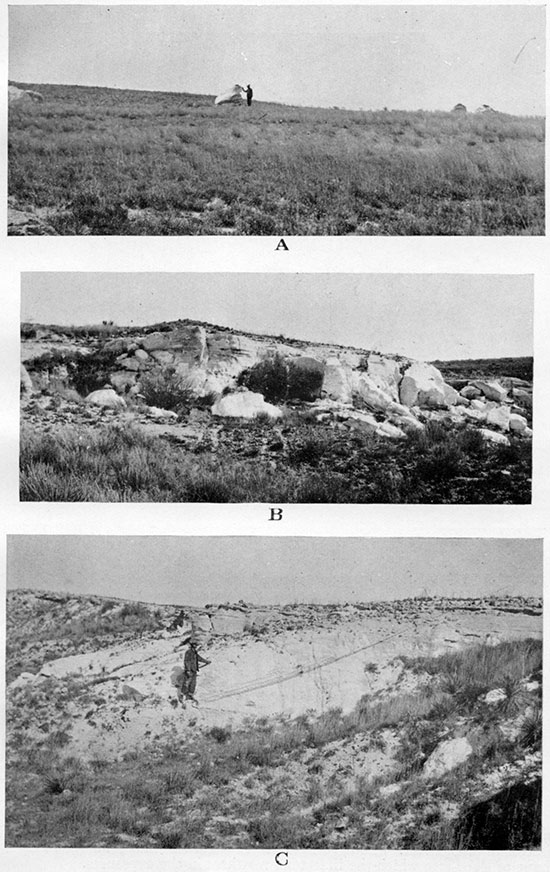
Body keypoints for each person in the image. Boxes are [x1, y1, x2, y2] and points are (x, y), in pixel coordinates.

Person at [181, 640, 210, 705]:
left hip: (194, 670)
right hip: (189, 670)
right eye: (194, 646)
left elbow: (199, 658)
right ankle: (182, 696)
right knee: (186, 683)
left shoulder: (195, 653)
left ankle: (190, 695)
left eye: (196, 646)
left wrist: (206, 661)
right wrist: (188, 670)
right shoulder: (188, 652)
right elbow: (186, 661)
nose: (195, 647)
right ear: (191, 646)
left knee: (193, 683)